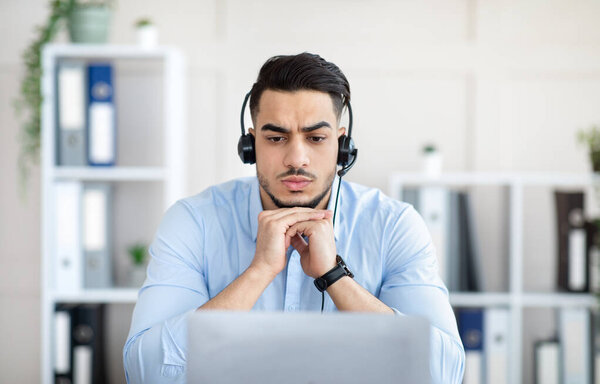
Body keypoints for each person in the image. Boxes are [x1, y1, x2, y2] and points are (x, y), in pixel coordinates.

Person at [123, 52, 465, 383]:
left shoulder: (394, 226)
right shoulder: (192, 221)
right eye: (275, 138)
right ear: (250, 145)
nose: (296, 158)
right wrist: (258, 273)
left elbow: (444, 374)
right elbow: (146, 372)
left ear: (342, 146)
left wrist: (335, 277)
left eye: (316, 138)